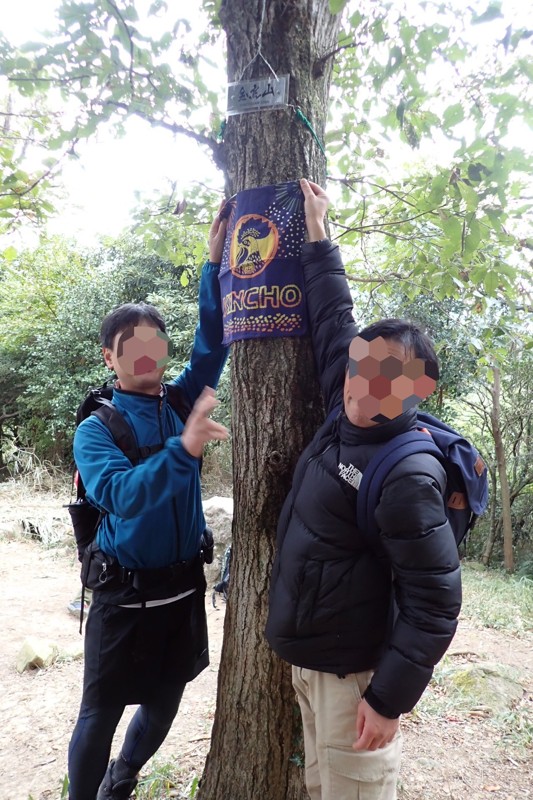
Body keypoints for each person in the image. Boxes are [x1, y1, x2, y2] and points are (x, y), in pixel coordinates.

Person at [265, 179, 462, 800]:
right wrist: (318, 234)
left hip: (354, 679)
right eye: (361, 366)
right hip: (315, 664)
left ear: (413, 393)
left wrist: (387, 699)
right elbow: (331, 317)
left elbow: (435, 600)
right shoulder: (343, 407)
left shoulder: (406, 472)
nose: (364, 384)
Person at [67, 209, 229, 800]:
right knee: (100, 714)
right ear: (109, 358)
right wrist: (185, 448)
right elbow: (124, 497)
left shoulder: (178, 399)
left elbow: (213, 344)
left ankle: (121, 783)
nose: (144, 356)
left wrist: (213, 263)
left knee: (164, 703)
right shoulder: (97, 428)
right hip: (124, 595)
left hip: (182, 588)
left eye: (153, 345)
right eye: (128, 348)